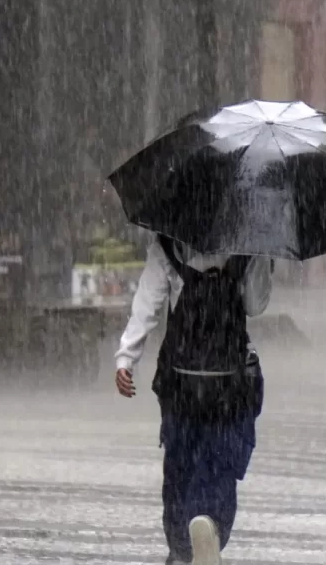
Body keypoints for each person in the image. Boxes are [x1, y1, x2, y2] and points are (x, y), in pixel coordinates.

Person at [115, 234, 272, 565]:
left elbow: (147, 303)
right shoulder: (250, 236)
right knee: (219, 463)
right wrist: (261, 258)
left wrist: (126, 358)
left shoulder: (169, 240)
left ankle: (180, 546)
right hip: (229, 385)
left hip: (181, 382)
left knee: (179, 468)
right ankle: (209, 524)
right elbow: (255, 306)